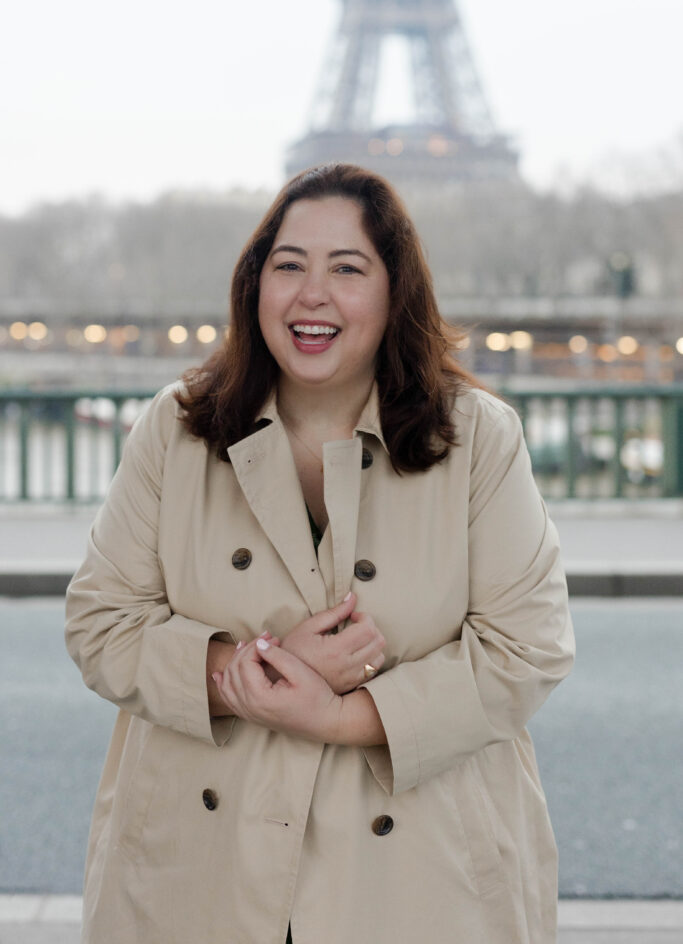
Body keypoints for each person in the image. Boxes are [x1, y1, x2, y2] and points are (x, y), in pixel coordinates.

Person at [65, 162, 575, 944]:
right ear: (254, 287)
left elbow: (526, 648)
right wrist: (244, 673)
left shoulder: (478, 439)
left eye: (347, 269)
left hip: (419, 881)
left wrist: (337, 716)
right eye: (289, 266)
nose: (313, 293)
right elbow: (100, 623)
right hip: (200, 871)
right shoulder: (174, 429)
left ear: (393, 292)